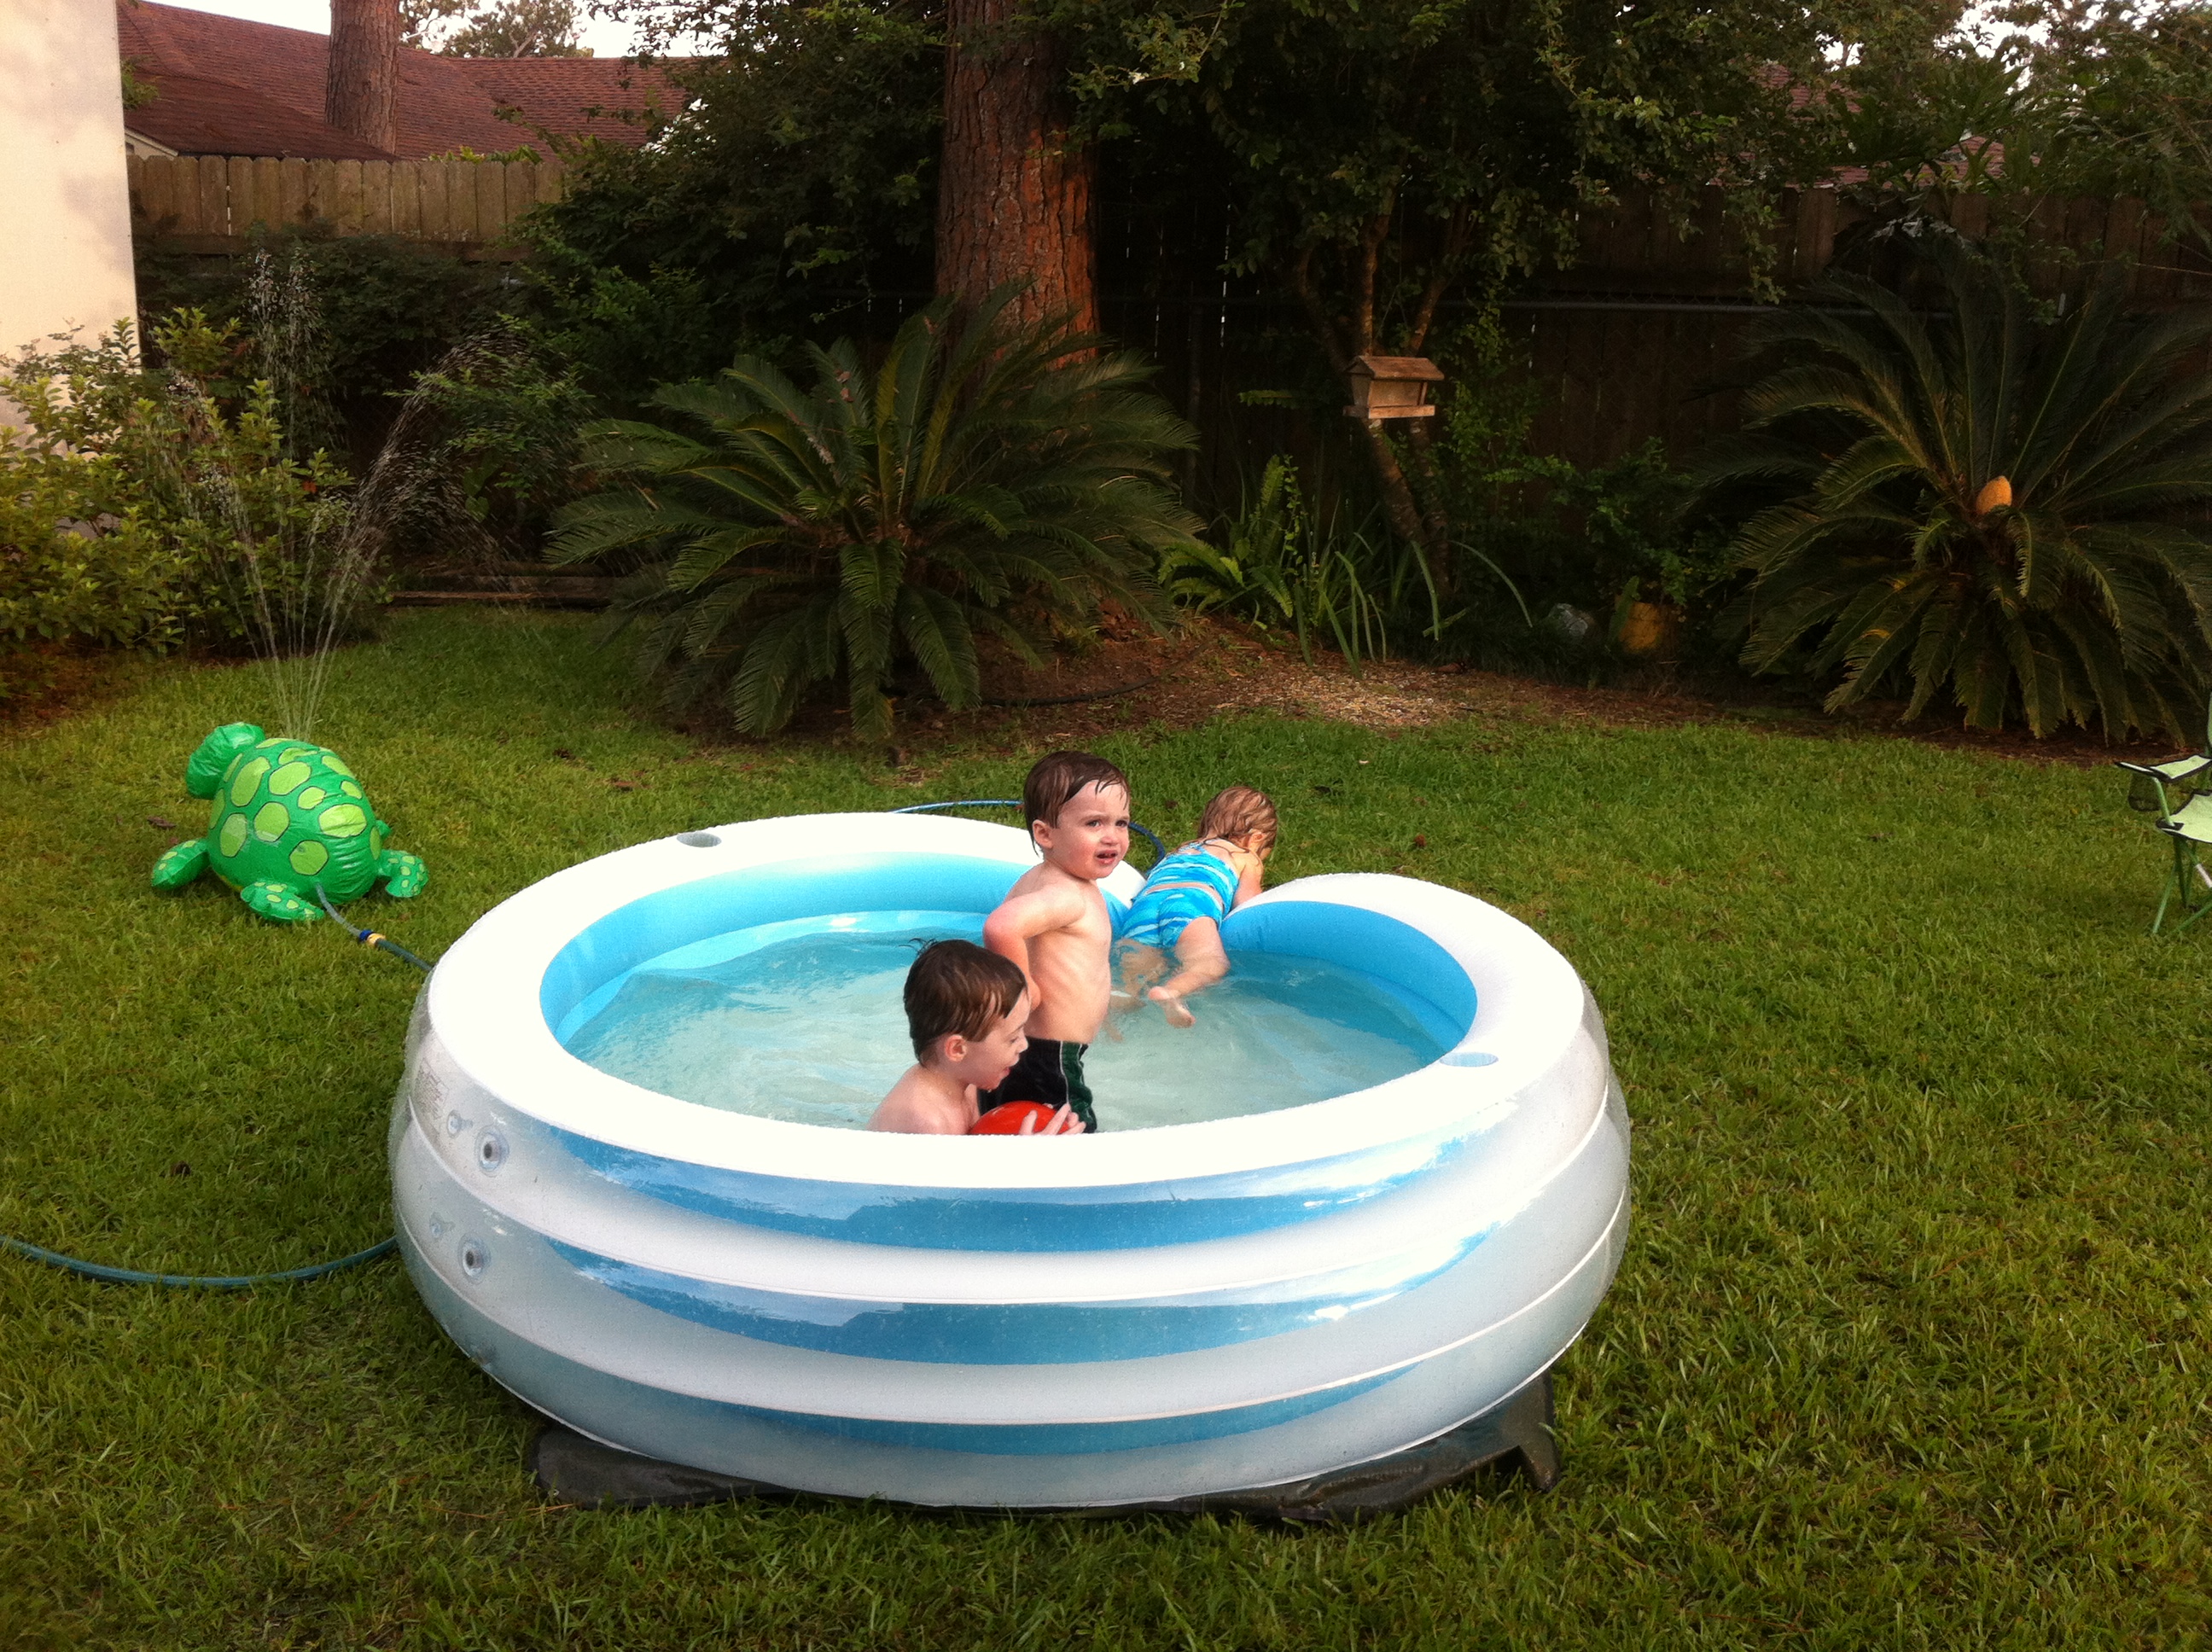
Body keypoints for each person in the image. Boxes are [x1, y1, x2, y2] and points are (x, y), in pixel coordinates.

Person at [977, 750, 1132, 1131]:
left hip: (1018, 1048)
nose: (1112, 836)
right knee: (1075, 1138)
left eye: (1121, 822)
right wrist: (1023, 988)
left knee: (1008, 1131)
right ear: (1045, 833)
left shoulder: (1038, 879)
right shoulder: (1068, 895)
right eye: (1094, 823)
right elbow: (1001, 927)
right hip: (1047, 1057)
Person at [869, 939, 1084, 1135]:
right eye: (1012, 1038)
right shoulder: (930, 1122)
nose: (1024, 1045)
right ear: (958, 1049)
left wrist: (1033, 1121)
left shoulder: (962, 1081)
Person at [1114, 785, 1277, 1027]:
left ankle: (1125, 993)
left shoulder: (1180, 850)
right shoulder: (1245, 855)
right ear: (1257, 839)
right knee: (1210, 964)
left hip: (1145, 907)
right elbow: (1249, 905)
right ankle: (1172, 991)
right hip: (1191, 906)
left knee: (1141, 968)